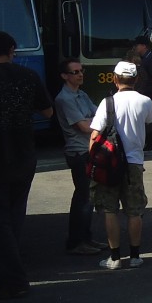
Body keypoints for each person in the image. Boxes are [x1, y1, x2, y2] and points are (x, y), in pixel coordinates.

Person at [0, 30, 54, 300]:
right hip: (24, 154)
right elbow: (47, 111)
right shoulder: (28, 77)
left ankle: (14, 280)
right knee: (14, 215)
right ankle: (9, 277)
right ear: (12, 49)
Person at [90, 60, 152, 270]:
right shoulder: (145, 102)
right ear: (136, 79)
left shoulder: (106, 103)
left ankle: (115, 258)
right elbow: (148, 121)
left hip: (109, 163)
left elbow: (95, 134)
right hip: (134, 163)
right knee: (134, 211)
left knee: (110, 210)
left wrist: (91, 162)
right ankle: (135, 256)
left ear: (115, 79)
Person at [53, 57, 106, 256]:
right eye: (75, 72)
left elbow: (100, 116)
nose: (80, 74)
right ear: (65, 76)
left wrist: (92, 121)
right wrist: (94, 121)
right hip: (78, 153)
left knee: (88, 197)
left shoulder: (81, 94)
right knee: (83, 198)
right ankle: (76, 241)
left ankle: (86, 238)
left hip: (89, 150)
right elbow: (84, 126)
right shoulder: (64, 99)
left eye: (81, 70)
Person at [131, 35, 152, 150]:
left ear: (144, 46)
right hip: (146, 93)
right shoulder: (143, 58)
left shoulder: (150, 58)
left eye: (137, 45)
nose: (135, 47)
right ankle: (149, 143)